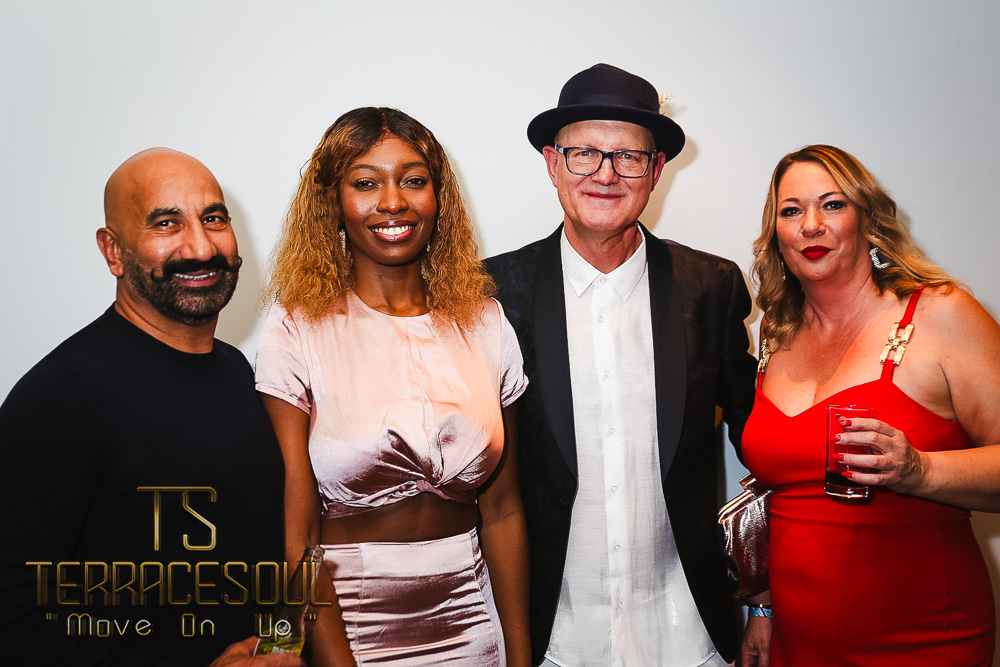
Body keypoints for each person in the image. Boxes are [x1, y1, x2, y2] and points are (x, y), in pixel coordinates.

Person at [485, 63, 758, 666]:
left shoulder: (710, 287)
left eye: (628, 157)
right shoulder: (494, 293)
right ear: (552, 164)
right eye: (583, 154)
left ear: (655, 171)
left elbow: (763, 447)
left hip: (686, 633)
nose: (605, 174)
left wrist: (761, 600)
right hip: (554, 636)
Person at [0, 148, 302, 667]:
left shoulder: (237, 370)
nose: (201, 247)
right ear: (113, 251)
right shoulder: (61, 396)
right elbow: (12, 621)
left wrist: (277, 645)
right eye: (166, 223)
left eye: (214, 219)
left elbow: (263, 554)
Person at [255, 107, 531, 666]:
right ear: (332, 201)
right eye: (365, 183)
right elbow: (297, 535)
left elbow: (503, 511)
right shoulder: (296, 326)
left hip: (474, 626)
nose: (392, 202)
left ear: (438, 197)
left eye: (413, 180)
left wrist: (519, 656)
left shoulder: (486, 322)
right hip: (351, 625)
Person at [740, 144, 1000, 666]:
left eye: (832, 205)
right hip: (795, 639)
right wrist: (762, 608)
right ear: (776, 234)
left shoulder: (941, 313)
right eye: (791, 211)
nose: (811, 225)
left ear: (867, 219)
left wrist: (920, 471)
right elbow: (775, 492)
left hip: (923, 639)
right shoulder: (776, 330)